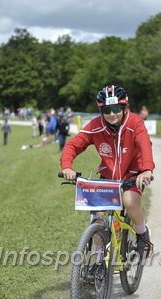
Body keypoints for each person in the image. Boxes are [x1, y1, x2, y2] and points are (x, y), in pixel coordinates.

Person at [60, 85, 155, 259]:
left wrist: (147, 169)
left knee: (129, 200)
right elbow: (73, 145)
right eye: (107, 110)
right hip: (108, 176)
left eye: (116, 109)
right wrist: (67, 166)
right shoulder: (96, 125)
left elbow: (144, 145)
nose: (112, 114)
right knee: (99, 219)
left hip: (133, 173)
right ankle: (97, 264)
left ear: (124, 107)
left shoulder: (135, 122)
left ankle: (142, 235)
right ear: (101, 110)